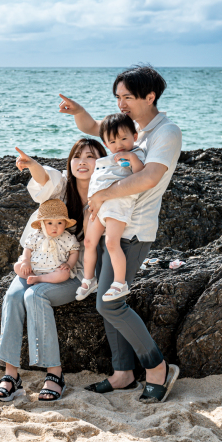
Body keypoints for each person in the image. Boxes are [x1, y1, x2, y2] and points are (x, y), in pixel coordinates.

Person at [59, 64, 182, 402]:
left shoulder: (165, 133)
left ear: (150, 96)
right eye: (117, 97)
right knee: (108, 298)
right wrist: (78, 111)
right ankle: (123, 373)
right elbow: (95, 127)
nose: (121, 104)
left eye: (127, 97)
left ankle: (156, 367)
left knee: (110, 304)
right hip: (111, 224)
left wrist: (100, 196)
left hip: (134, 231)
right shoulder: (133, 131)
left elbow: (148, 177)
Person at [0, 138, 105, 403]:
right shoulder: (62, 187)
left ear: (102, 162)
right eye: (77, 156)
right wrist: (32, 165)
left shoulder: (107, 193)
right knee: (13, 296)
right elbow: (45, 179)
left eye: (91, 156)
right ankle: (11, 376)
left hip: (75, 272)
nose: (83, 162)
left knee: (35, 295)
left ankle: (54, 374)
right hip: (38, 263)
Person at [76, 113, 146, 302]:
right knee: (89, 242)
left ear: (135, 136)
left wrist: (132, 158)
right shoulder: (109, 158)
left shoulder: (137, 154)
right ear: (106, 144)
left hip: (118, 205)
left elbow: (142, 176)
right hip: (99, 207)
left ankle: (119, 283)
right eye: (113, 141)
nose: (119, 144)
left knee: (111, 243)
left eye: (124, 138)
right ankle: (89, 279)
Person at [16, 199, 80, 286]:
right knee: (17, 266)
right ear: (40, 224)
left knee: (65, 274)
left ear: (65, 224)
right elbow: (28, 249)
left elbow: (74, 252)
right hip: (34, 267)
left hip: (55, 270)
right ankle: (32, 276)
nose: (54, 227)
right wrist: (26, 261)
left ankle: (39, 279)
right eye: (49, 223)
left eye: (59, 223)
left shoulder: (67, 238)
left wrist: (69, 264)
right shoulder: (36, 235)